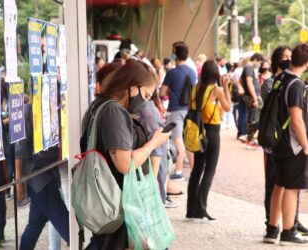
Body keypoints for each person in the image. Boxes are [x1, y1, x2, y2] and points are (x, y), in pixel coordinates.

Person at [82, 60, 170, 249]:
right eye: (145, 95)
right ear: (132, 86)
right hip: (119, 201)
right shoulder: (113, 111)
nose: (145, 101)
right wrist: (155, 142)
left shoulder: (97, 105)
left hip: (110, 199)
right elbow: (125, 164)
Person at [263, 43, 308, 246]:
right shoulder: (296, 84)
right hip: (293, 144)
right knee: (291, 188)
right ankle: (288, 231)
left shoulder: (280, 79)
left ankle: (272, 229)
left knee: (279, 185)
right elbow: (296, 118)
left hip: (277, 141)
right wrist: (306, 145)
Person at [16, 100, 69, 249]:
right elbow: (19, 149)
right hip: (38, 176)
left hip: (48, 173)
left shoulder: (51, 109)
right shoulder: (28, 110)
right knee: (63, 220)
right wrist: (19, 180)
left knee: (35, 223)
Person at [186, 60, 231, 222]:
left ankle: (191, 209)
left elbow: (190, 109)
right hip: (212, 132)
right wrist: (225, 87)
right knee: (210, 170)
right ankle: (201, 208)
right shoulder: (216, 90)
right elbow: (227, 108)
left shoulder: (195, 88)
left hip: (198, 131)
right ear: (216, 74)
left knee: (197, 170)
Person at [160, 45, 197, 181]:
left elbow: (162, 92)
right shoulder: (193, 73)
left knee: (177, 141)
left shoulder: (172, 73)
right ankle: (194, 172)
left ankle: (179, 171)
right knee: (187, 141)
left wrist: (172, 91)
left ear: (175, 56)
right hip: (189, 110)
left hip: (175, 110)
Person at [240, 53, 264, 150]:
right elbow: (249, 83)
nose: (259, 64)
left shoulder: (247, 67)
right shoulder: (249, 67)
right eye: (259, 62)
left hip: (250, 96)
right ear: (256, 60)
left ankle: (250, 140)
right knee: (254, 119)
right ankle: (250, 140)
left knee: (253, 117)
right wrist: (255, 98)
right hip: (251, 96)